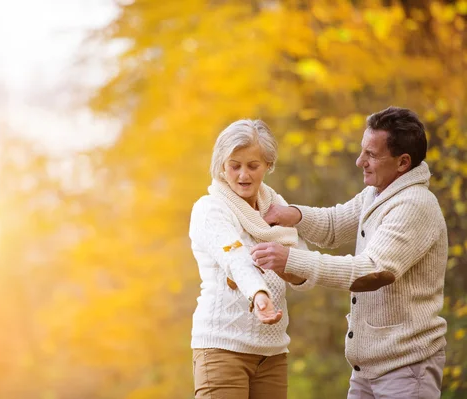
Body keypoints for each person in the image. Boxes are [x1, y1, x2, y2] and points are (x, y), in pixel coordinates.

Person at [251, 106, 447, 398]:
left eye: (372, 155)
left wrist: (291, 259)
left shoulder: (414, 205)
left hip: (406, 370)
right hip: (366, 371)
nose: (360, 162)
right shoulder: (378, 192)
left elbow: (371, 272)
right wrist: (293, 214)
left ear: (403, 162)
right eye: (361, 151)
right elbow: (334, 225)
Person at [189, 119, 311, 399]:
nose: (243, 175)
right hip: (222, 347)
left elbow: (303, 265)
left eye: (253, 166)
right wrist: (259, 294)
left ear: (268, 165)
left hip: (272, 352)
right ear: (222, 165)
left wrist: (291, 268)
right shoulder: (211, 209)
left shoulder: (277, 209)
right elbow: (235, 257)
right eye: (235, 165)